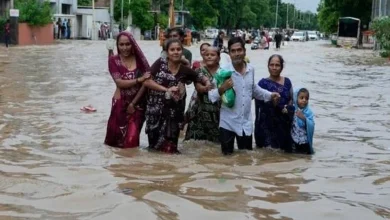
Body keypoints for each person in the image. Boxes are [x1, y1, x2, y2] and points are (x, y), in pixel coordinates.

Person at [209, 37, 281, 155]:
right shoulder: (222, 72)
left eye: (239, 50)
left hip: (245, 123)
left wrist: (270, 95)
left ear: (244, 51)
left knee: (246, 159)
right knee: (226, 160)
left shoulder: (251, 69)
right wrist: (222, 88)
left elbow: (253, 89)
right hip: (227, 122)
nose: (237, 54)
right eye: (233, 51)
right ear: (229, 53)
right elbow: (211, 96)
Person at [144, 39, 210, 154]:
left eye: (178, 49)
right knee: (153, 149)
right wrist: (166, 89)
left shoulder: (185, 69)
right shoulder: (160, 63)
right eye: (172, 50)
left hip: (174, 115)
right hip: (155, 114)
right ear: (167, 52)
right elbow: (146, 81)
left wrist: (207, 83)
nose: (175, 52)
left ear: (182, 51)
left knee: (171, 150)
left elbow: (199, 76)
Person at [104, 32, 151, 148]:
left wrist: (134, 103)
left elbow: (148, 81)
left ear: (133, 45)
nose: (125, 48)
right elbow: (119, 82)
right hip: (120, 104)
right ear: (117, 45)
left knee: (132, 140)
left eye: (128, 44)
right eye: (121, 45)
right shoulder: (113, 60)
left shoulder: (140, 60)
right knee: (115, 141)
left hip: (138, 104)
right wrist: (138, 80)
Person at [254, 54, 294, 152]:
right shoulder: (262, 84)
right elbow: (258, 106)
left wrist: (288, 108)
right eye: (272, 65)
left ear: (282, 67)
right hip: (266, 127)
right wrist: (272, 104)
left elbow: (291, 100)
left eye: (277, 65)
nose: (274, 68)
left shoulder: (287, 82)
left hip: (284, 126)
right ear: (268, 66)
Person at [185, 47, 221, 143]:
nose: (209, 57)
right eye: (206, 55)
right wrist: (206, 88)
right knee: (194, 144)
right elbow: (198, 87)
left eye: (212, 55)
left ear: (218, 58)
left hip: (218, 113)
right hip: (200, 112)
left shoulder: (223, 72)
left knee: (216, 145)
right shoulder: (199, 71)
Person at [291, 88, 315, 154]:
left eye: (306, 98)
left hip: (304, 142)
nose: (304, 100)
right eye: (301, 98)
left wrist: (304, 118)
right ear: (296, 98)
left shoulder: (308, 112)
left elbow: (312, 125)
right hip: (294, 140)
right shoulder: (292, 110)